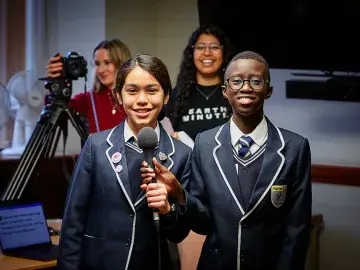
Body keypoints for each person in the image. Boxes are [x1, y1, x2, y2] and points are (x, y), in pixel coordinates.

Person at [142, 51, 312, 270]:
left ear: (268, 90)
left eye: (256, 81)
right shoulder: (205, 144)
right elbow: (202, 222)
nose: (246, 87)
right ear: (225, 91)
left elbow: (296, 230)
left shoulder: (294, 148)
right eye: (237, 81)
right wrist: (180, 193)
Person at [56, 54, 192, 270]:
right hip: (99, 262)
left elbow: (179, 232)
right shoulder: (96, 146)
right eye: (132, 90)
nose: (141, 100)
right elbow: (73, 221)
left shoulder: (182, 154)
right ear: (119, 96)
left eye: (151, 90)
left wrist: (168, 209)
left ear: (166, 96)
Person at [166, 25, 235, 142]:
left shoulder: (236, 93)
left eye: (214, 47)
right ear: (191, 53)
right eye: (200, 47)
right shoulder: (176, 97)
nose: (207, 53)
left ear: (224, 52)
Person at [46, 38, 131, 133]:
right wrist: (55, 83)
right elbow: (55, 115)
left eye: (107, 63)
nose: (100, 70)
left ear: (121, 64)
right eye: (97, 64)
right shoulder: (88, 99)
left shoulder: (135, 97)